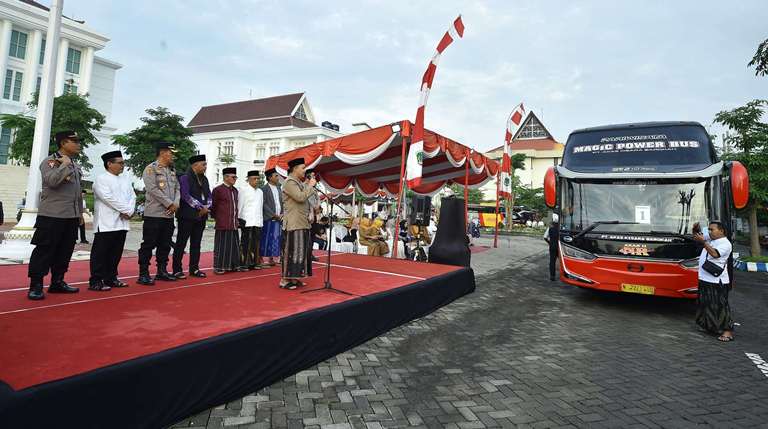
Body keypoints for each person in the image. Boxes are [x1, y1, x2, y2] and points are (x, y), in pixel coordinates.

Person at [27, 131, 83, 300]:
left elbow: (77, 192)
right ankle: (36, 284)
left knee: (65, 250)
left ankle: (57, 281)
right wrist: (64, 165)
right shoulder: (51, 161)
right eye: (75, 141)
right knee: (44, 250)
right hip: (52, 215)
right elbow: (52, 182)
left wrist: (79, 213)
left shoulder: (74, 164)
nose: (78, 144)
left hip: (70, 216)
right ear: (64, 143)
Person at [89, 150, 135, 291]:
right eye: (120, 163)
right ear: (109, 164)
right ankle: (96, 280)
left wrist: (131, 210)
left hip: (122, 222)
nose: (123, 166)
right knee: (100, 253)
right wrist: (126, 210)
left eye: (123, 163)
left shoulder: (125, 179)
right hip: (106, 223)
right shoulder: (101, 179)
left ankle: (111, 278)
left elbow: (132, 196)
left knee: (116, 253)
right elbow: (108, 198)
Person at [138, 142, 180, 285]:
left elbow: (177, 189)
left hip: (169, 215)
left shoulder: (171, 171)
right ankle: (143, 273)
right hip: (154, 214)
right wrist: (169, 203)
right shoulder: (151, 169)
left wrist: (176, 203)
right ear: (163, 153)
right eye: (171, 152)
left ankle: (161, 271)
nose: (173, 155)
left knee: (165, 244)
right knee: (148, 244)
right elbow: (153, 189)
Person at [693, 221, 735, 342]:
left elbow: (715, 254)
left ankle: (728, 331)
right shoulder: (711, 238)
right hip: (705, 278)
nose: (709, 232)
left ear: (721, 231)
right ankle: (710, 326)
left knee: (721, 306)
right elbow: (697, 237)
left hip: (717, 281)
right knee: (706, 304)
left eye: (712, 230)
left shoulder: (725, 244)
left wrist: (704, 242)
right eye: (709, 229)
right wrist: (695, 231)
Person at [280, 157, 317, 290]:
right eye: (302, 168)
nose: (304, 170)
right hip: (293, 223)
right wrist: (310, 186)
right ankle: (285, 279)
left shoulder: (299, 182)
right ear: (295, 169)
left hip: (302, 222)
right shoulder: (289, 182)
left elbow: (306, 200)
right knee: (292, 251)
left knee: (301, 251)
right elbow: (300, 197)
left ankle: (295, 277)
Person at [172, 154, 211, 279]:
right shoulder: (184, 178)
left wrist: (207, 207)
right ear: (195, 165)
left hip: (201, 216)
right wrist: (200, 207)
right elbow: (185, 196)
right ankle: (177, 269)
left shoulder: (204, 179)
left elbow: (209, 195)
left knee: (196, 243)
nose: (205, 167)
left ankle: (194, 268)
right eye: (203, 164)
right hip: (187, 216)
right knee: (181, 243)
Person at [211, 167, 245, 274]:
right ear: (225, 177)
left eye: (236, 177)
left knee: (233, 246)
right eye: (233, 177)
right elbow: (214, 206)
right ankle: (219, 267)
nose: (235, 179)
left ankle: (233, 266)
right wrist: (218, 218)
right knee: (222, 246)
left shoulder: (235, 190)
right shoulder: (218, 190)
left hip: (233, 223)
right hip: (222, 223)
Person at [238, 170, 263, 270]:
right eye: (254, 179)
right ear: (248, 179)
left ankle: (254, 263)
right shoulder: (243, 190)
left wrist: (260, 221)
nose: (256, 181)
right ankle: (244, 263)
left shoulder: (260, 192)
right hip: (246, 220)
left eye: (258, 179)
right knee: (245, 243)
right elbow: (240, 205)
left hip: (257, 221)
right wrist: (239, 219)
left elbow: (260, 207)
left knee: (255, 243)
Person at [260, 168, 282, 266]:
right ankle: (263, 259)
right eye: (276, 176)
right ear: (269, 177)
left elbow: (281, 202)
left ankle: (272, 258)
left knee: (276, 238)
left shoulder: (278, 188)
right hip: (268, 218)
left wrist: (282, 213)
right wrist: (273, 214)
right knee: (267, 238)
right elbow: (264, 204)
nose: (278, 178)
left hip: (279, 218)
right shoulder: (264, 189)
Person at [543, 215, 560, 281]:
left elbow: (545, 237)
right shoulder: (561, 228)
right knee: (562, 261)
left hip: (552, 246)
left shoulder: (550, 228)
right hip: (560, 247)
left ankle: (552, 276)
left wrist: (549, 243)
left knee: (552, 261)